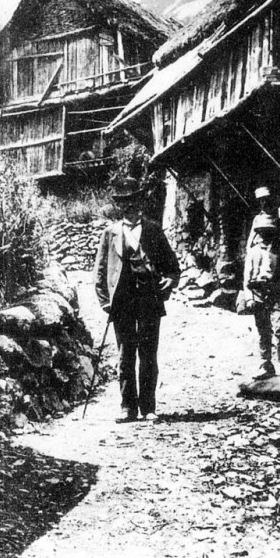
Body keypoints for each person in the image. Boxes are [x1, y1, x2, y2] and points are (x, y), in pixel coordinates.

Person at [94, 177, 181, 423]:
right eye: (125, 202)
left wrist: (171, 280)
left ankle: (148, 408)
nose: (130, 206)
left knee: (148, 354)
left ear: (140, 201)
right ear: (120, 206)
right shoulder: (109, 234)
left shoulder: (153, 230)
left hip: (148, 298)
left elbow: (172, 266)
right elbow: (100, 271)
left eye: (134, 200)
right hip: (121, 302)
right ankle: (127, 407)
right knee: (125, 355)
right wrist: (104, 301)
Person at [244, 214, 280, 379]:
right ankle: (266, 365)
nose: (266, 234)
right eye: (262, 231)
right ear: (258, 232)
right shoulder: (253, 251)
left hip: (276, 292)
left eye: (269, 231)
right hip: (258, 293)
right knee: (263, 330)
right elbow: (247, 276)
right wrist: (249, 297)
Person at [247, 186, 280, 250]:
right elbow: (251, 237)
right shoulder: (258, 218)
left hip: (276, 246)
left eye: (266, 199)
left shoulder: (278, 213)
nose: (264, 203)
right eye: (261, 200)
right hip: (262, 246)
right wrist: (249, 250)